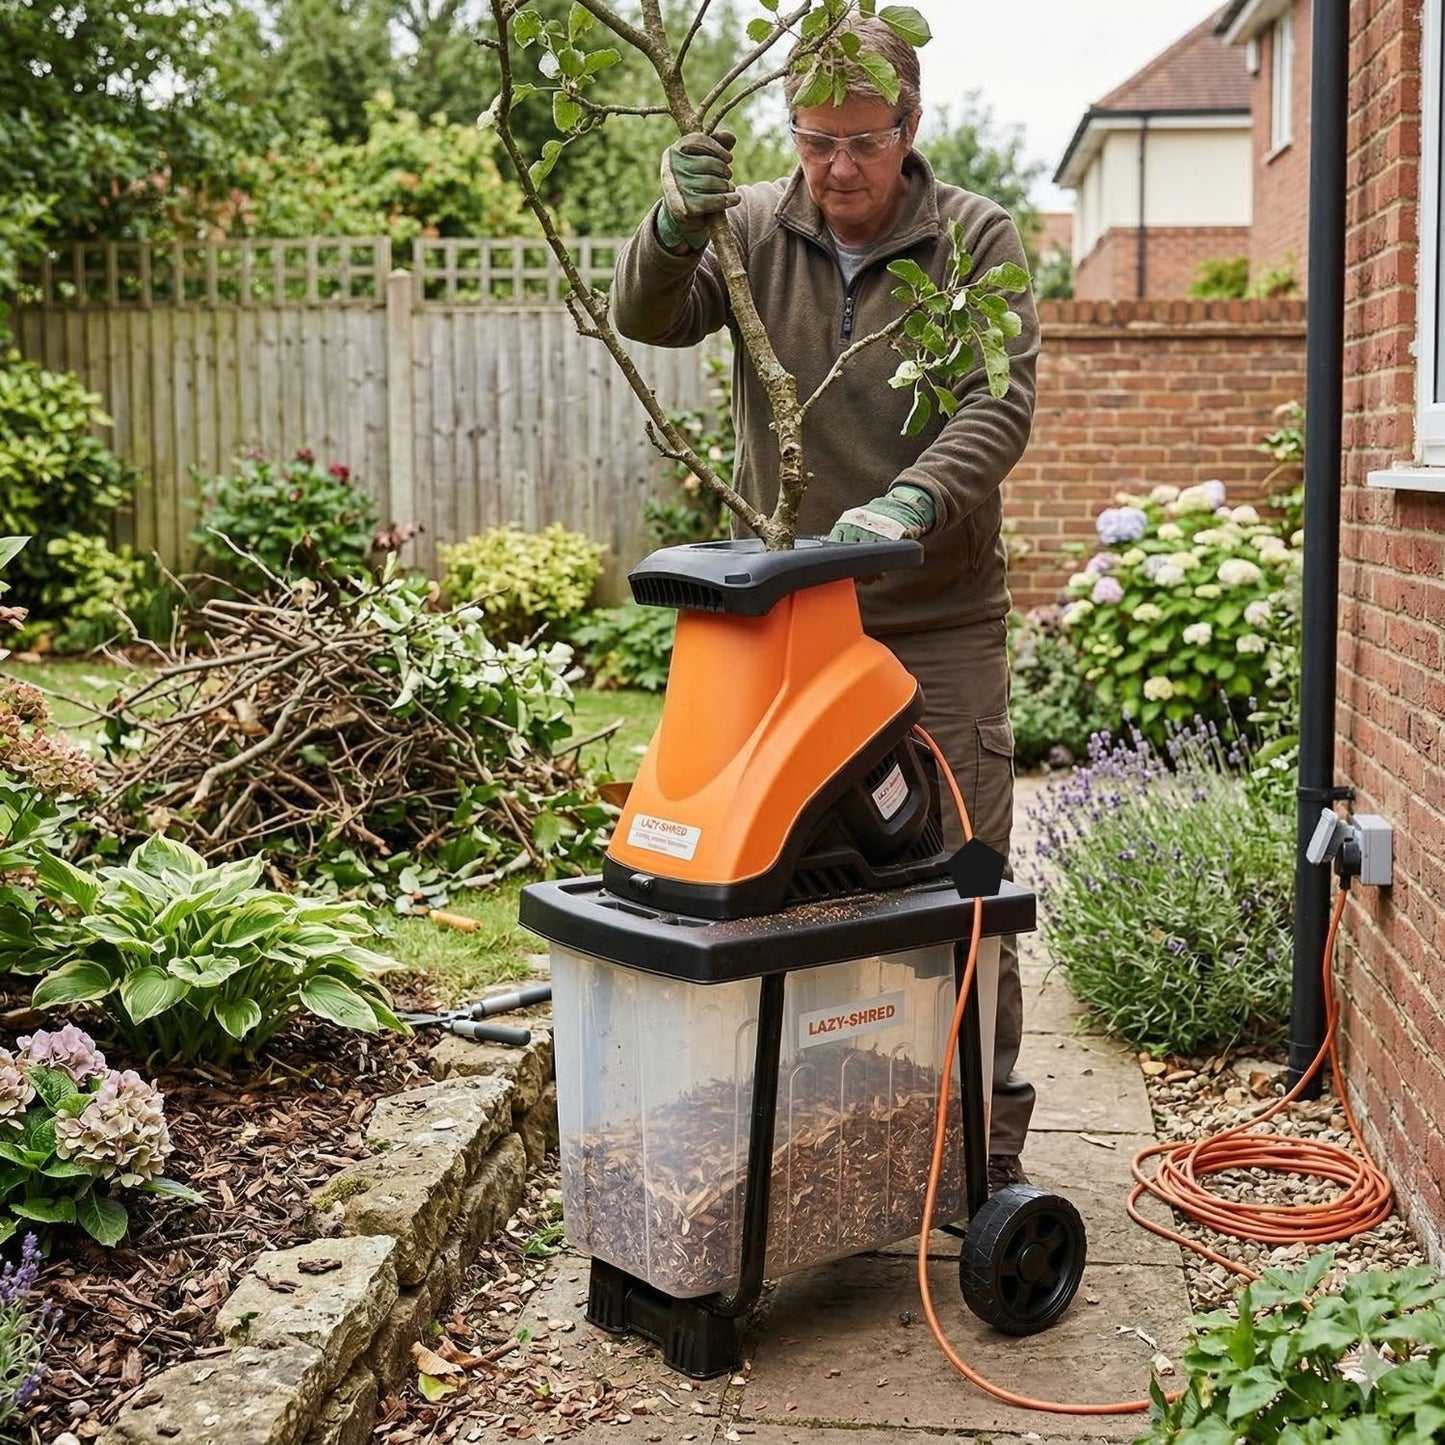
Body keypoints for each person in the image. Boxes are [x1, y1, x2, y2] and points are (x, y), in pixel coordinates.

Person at [609, 15, 1038, 1193]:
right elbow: (650, 316)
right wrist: (669, 226)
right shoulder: (750, 224)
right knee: (802, 875)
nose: (836, 167)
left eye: (860, 141)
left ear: (908, 130)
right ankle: (820, 1127)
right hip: (792, 622)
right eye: (813, 141)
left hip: (932, 620)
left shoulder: (975, 240)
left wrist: (909, 504)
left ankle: (980, 1152)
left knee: (961, 881)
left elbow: (996, 410)